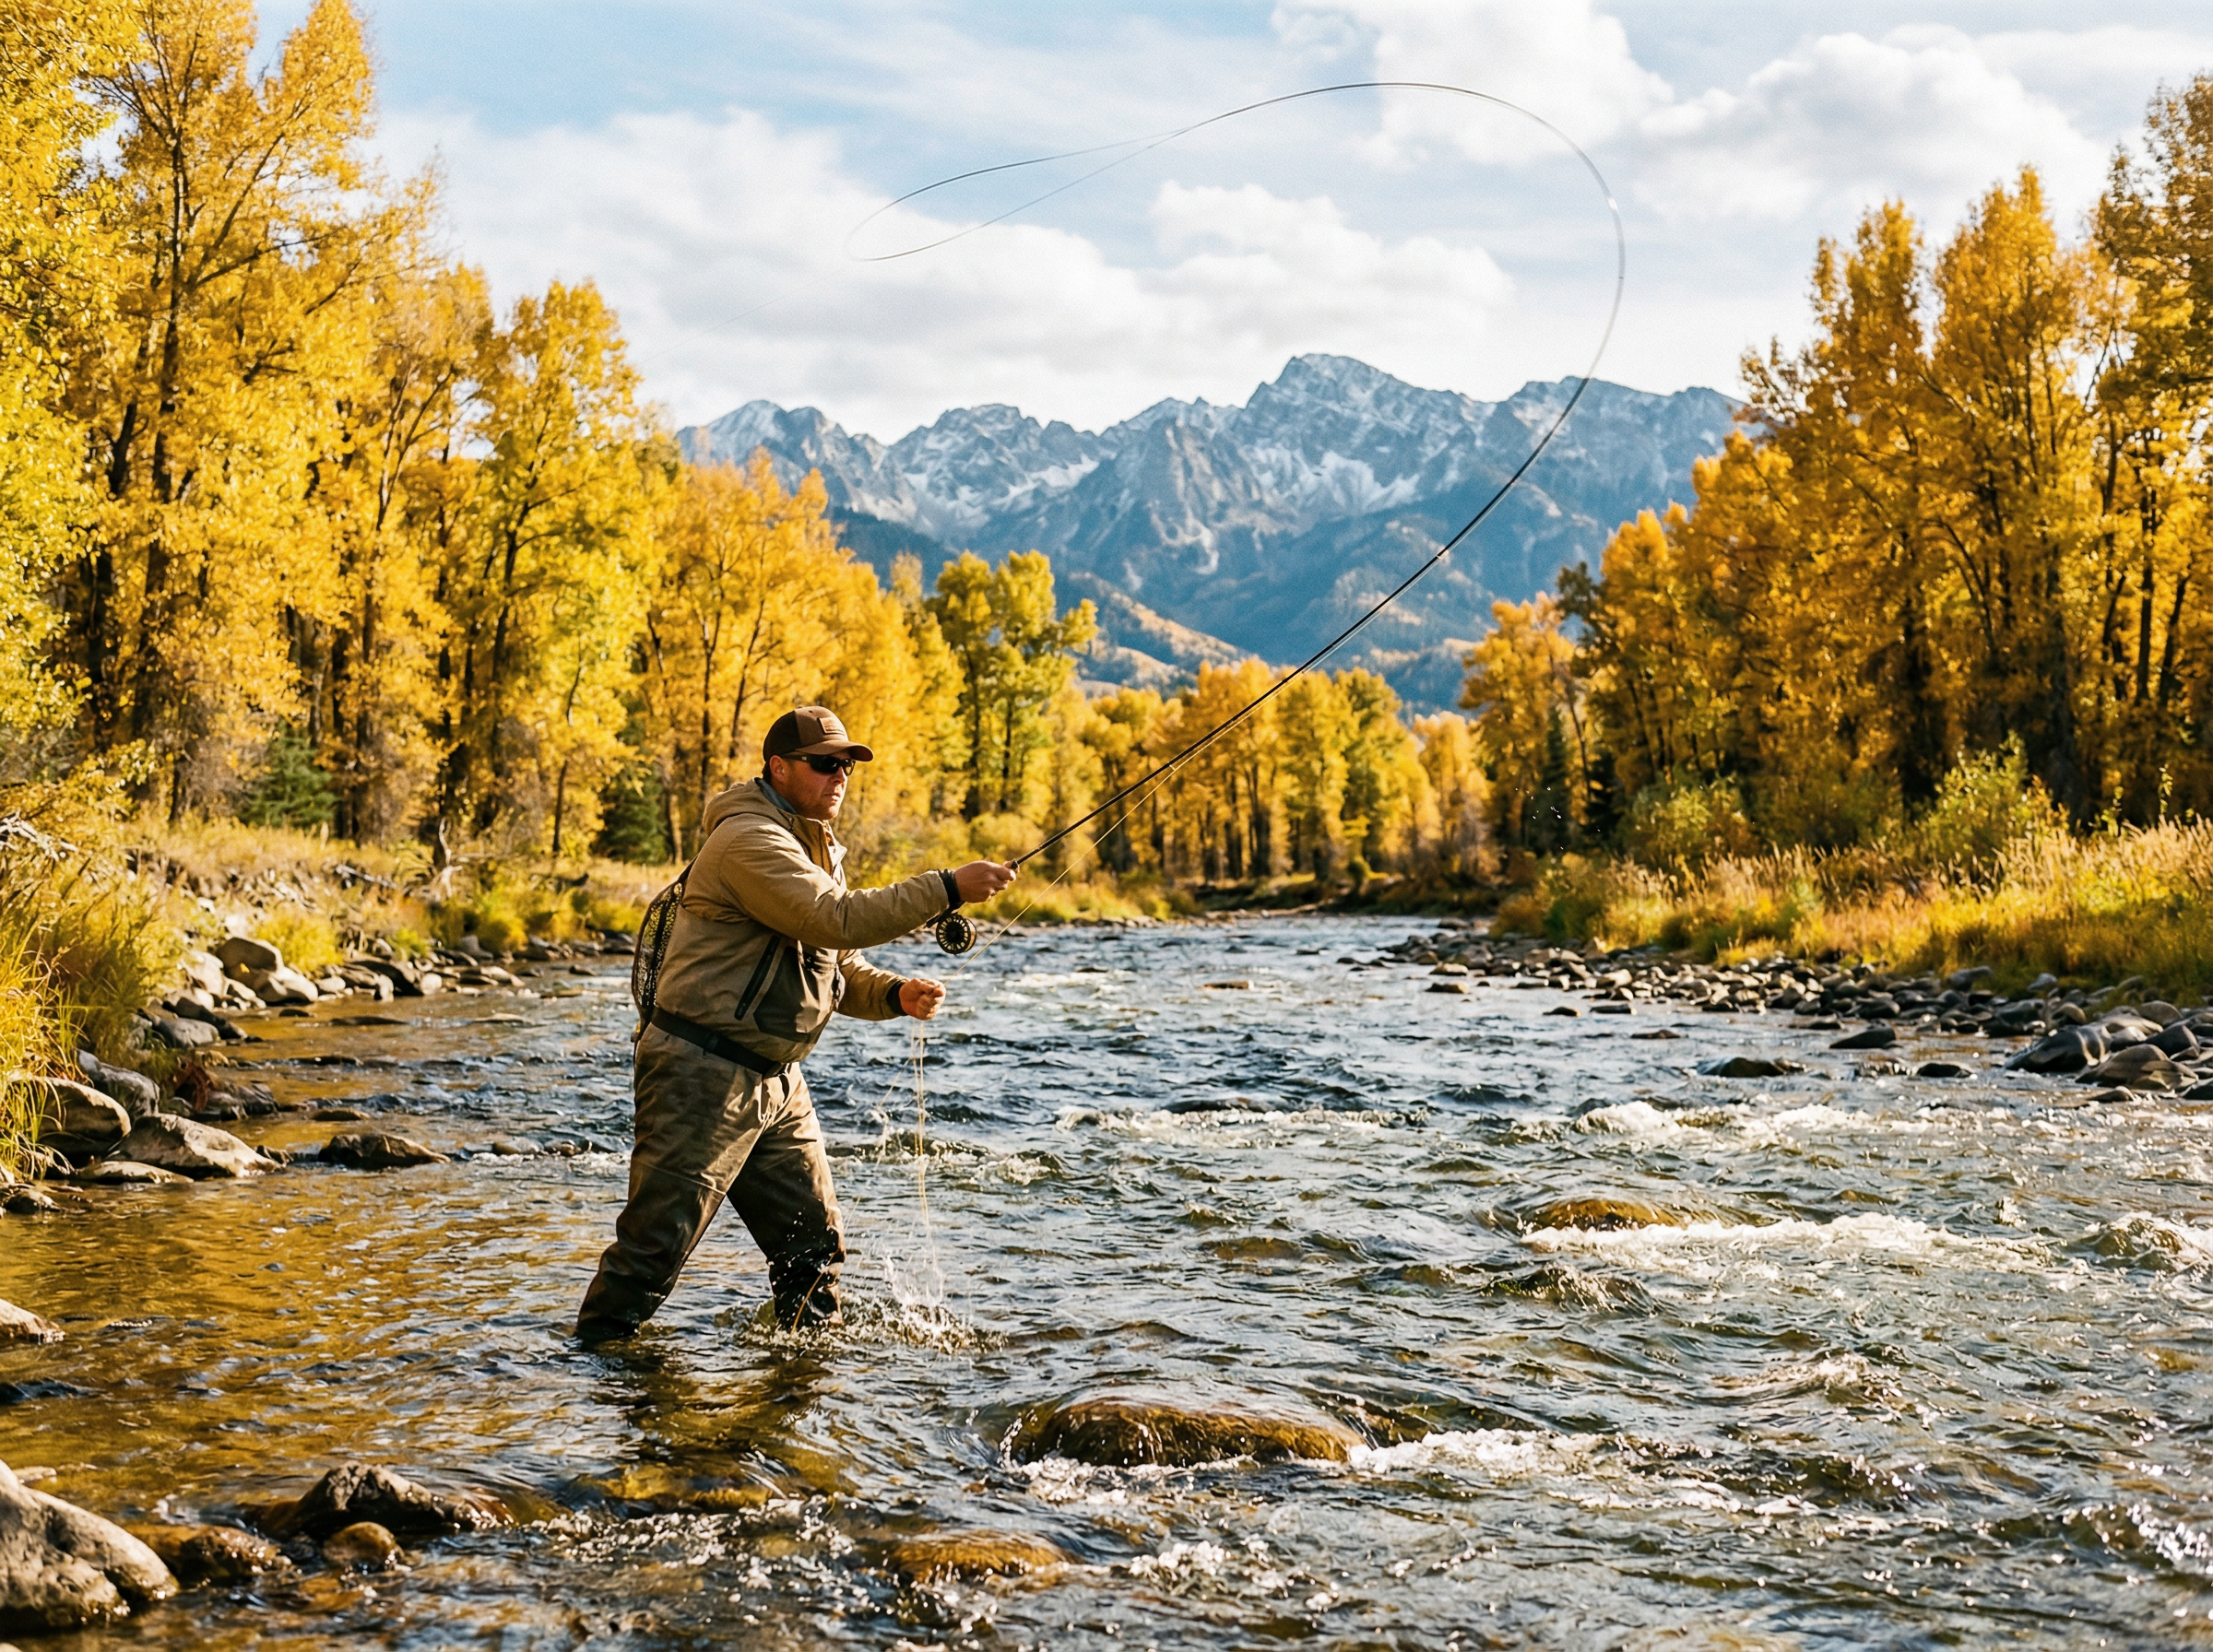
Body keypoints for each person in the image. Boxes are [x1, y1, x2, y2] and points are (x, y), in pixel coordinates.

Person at [576, 705, 1015, 1339]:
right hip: (702, 1074)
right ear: (779, 768)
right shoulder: (748, 840)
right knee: (651, 1256)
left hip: (777, 1081)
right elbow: (836, 918)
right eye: (826, 764)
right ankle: (594, 1380)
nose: (840, 777)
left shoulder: (810, 842)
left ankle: (801, 1389)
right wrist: (948, 886)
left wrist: (894, 995)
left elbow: (833, 960)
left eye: (847, 766)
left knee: (812, 1253)